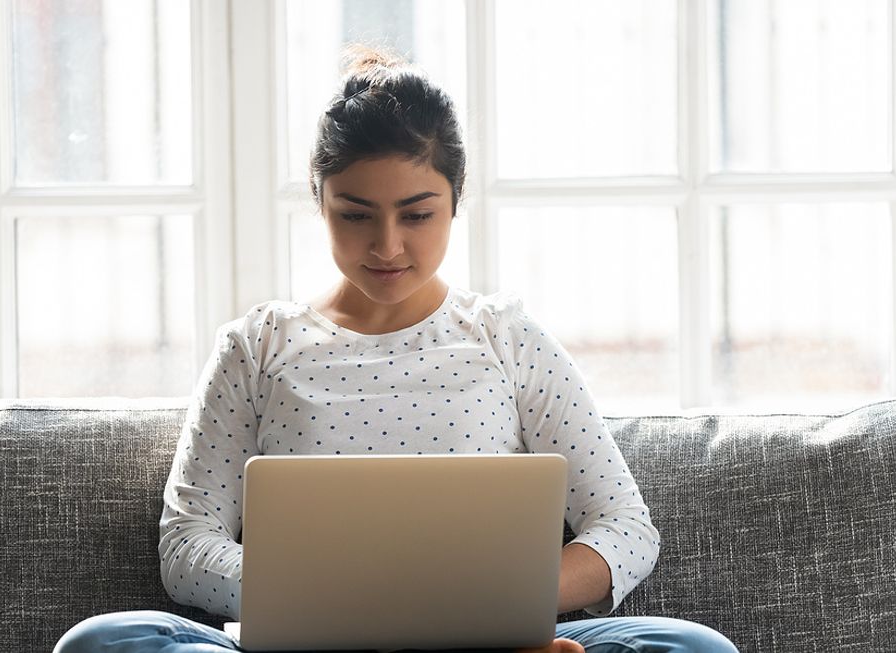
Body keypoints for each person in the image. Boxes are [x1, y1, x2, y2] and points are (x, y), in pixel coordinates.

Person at [54, 45, 738, 653]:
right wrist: (336, 599)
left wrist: (483, 604)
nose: (386, 245)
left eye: (416, 213)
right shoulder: (255, 347)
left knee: (690, 646)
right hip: (306, 639)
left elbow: (624, 526)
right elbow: (186, 544)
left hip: (484, 635)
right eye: (355, 213)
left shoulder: (504, 336)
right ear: (319, 200)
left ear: (454, 200)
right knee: (108, 641)